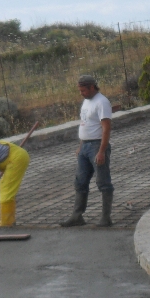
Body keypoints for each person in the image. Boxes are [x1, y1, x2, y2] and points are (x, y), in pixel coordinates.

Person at [61, 74, 114, 227]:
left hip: (97, 146)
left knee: (103, 181)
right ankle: (77, 216)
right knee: (80, 181)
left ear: (92, 87)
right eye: (80, 90)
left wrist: (102, 151)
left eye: (83, 90)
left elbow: (106, 128)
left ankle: (106, 218)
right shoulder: (87, 101)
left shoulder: (102, 102)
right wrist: (80, 146)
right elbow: (85, 124)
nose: (81, 93)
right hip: (85, 147)